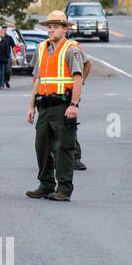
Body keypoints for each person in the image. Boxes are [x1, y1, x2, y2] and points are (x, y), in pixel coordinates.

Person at [25, 10, 85, 201]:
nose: (51, 30)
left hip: (62, 105)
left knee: (63, 147)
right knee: (41, 145)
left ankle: (64, 188)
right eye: (49, 27)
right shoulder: (42, 48)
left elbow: (78, 77)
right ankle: (46, 184)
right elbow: (38, 79)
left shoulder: (71, 49)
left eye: (56, 26)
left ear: (65, 29)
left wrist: (74, 104)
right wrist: (31, 106)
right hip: (44, 106)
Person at [70, 46, 93, 171]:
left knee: (69, 126)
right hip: (49, 94)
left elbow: (88, 63)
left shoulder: (72, 47)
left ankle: (75, 157)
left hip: (69, 93)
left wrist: (80, 81)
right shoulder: (45, 47)